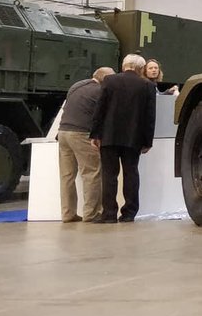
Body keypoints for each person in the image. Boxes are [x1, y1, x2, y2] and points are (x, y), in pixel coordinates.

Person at [89, 54, 157, 223]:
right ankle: (129, 213)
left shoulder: (110, 81)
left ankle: (109, 214)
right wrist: (148, 141)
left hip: (109, 136)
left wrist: (95, 134)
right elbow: (150, 116)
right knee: (131, 173)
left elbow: (100, 109)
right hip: (133, 138)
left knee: (109, 175)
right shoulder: (147, 85)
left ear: (124, 65)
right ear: (141, 68)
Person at [56, 66, 114, 223]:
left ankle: (68, 214)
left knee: (67, 176)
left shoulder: (76, 86)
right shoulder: (100, 91)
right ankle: (91, 214)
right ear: (106, 79)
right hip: (81, 134)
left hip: (63, 132)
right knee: (91, 173)